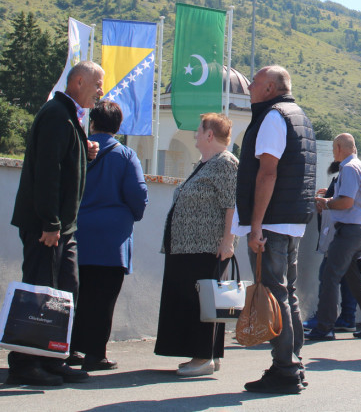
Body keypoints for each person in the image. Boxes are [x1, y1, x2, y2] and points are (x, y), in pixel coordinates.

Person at [7, 60, 104, 387]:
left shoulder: (68, 117)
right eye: (97, 83)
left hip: (64, 227)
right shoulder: (55, 115)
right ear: (78, 82)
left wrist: (85, 153)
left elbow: (66, 166)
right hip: (46, 227)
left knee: (63, 291)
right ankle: (24, 363)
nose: (101, 91)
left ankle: (51, 358)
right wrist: (50, 223)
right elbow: (48, 174)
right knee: (39, 292)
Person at [237, 65, 316, 396]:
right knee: (288, 292)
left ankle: (284, 369)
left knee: (275, 292)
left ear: (269, 88)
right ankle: (294, 364)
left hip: (272, 220)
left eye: (255, 82)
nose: (249, 87)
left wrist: (255, 225)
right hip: (292, 218)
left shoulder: (273, 117)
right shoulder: (300, 116)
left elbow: (267, 173)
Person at [154, 113, 237, 377]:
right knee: (192, 301)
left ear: (210, 134)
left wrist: (228, 241)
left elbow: (231, 205)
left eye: (199, 131)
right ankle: (204, 354)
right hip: (187, 246)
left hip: (204, 246)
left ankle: (203, 357)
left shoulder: (225, 163)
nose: (195, 136)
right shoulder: (205, 163)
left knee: (201, 302)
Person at [69, 100, 149, 371]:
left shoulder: (78, 149)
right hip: (112, 240)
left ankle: (68, 349)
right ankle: (96, 353)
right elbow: (138, 195)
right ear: (118, 126)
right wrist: (131, 216)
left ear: (92, 123)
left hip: (76, 233)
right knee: (103, 299)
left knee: (74, 294)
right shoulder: (125, 156)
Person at [307, 133, 361, 341]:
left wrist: (326, 203)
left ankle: (324, 327)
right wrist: (331, 200)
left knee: (329, 277)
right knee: (354, 279)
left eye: (334, 149)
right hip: (356, 230)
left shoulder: (349, 168)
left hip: (348, 231)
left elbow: (346, 202)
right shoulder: (359, 167)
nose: (333, 153)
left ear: (340, 147)